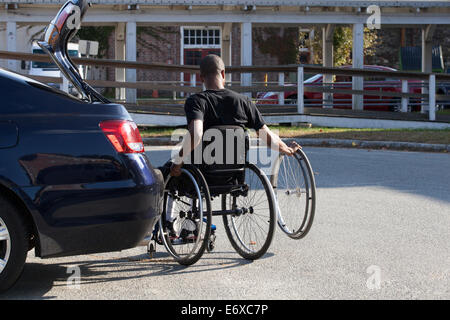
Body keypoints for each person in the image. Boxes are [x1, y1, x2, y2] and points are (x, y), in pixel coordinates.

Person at [169, 54, 301, 177]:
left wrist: (178, 161)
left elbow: (196, 134)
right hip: (234, 172)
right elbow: (266, 135)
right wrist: (286, 149)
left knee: (164, 172)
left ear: (201, 77)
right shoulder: (243, 101)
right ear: (223, 74)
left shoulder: (196, 101)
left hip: (203, 172)